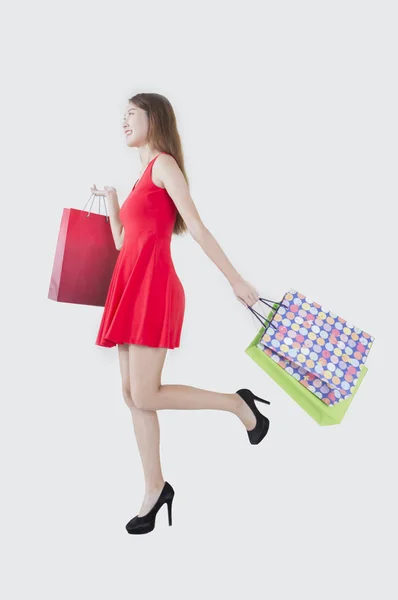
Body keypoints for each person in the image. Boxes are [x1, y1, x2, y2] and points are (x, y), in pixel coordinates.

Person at [90, 92, 271, 535]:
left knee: (145, 393)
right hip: (129, 288)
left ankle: (236, 403)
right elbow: (120, 242)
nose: (124, 121)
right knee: (132, 395)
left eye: (132, 114)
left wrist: (236, 281)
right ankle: (155, 489)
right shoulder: (138, 180)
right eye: (123, 116)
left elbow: (199, 227)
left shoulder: (165, 166)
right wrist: (113, 199)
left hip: (153, 289)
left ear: (155, 118)